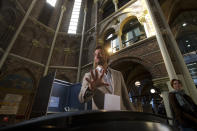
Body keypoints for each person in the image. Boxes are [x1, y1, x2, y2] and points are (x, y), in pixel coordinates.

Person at [78, 45, 135, 110]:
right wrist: (90, 88)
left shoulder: (118, 74)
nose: (97, 56)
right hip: (102, 116)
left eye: (100, 53)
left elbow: (126, 98)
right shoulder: (89, 75)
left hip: (120, 115)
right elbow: (81, 98)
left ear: (107, 56)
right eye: (95, 54)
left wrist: (134, 115)